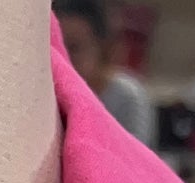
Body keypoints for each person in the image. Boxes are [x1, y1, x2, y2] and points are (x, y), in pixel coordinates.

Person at [54, 0, 158, 144]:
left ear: (102, 48)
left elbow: (132, 152)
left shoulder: (127, 97)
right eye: (58, 48)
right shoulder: (53, 94)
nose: (64, 58)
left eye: (74, 48)